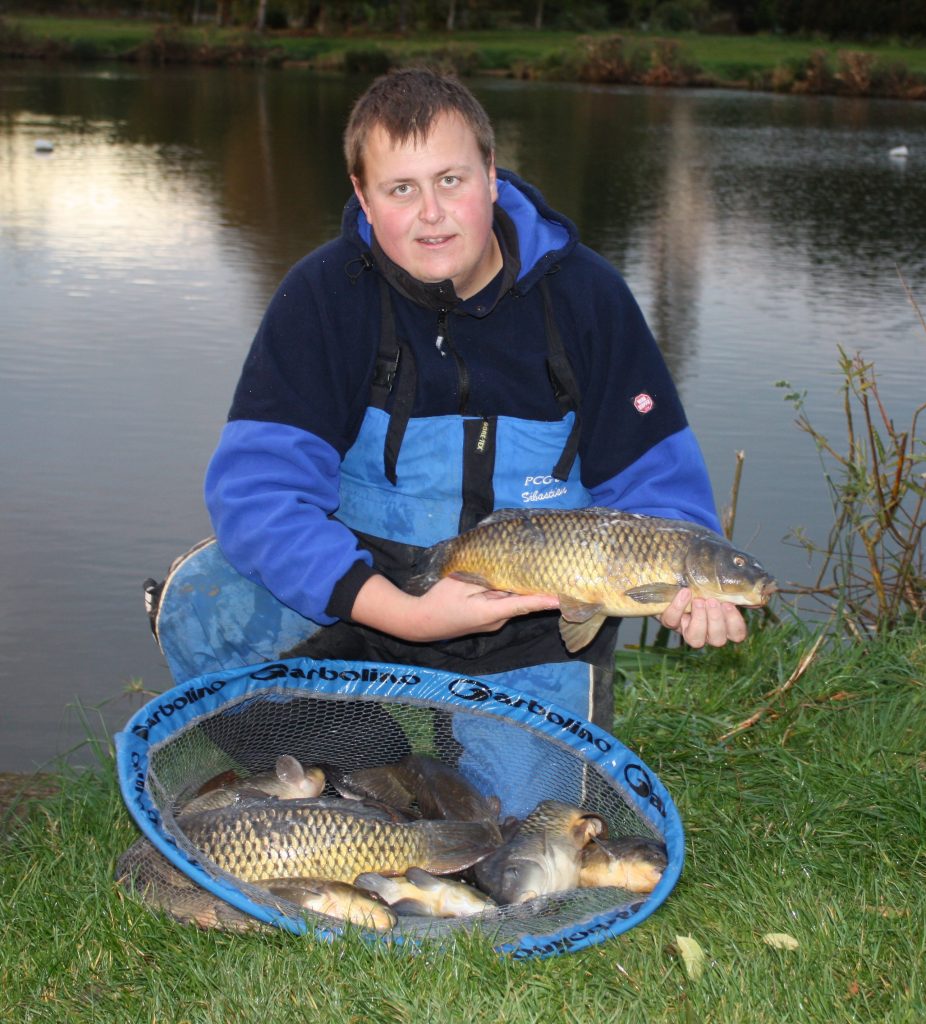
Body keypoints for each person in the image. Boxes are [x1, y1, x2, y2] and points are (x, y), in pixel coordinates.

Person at [149, 69, 746, 809]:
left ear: (492, 178)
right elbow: (256, 495)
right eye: (400, 190)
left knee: (525, 836)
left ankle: (471, 765)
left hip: (529, 628)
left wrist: (688, 572)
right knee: (201, 607)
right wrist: (397, 610)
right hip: (365, 589)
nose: (432, 215)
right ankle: (365, 773)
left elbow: (656, 483)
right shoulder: (324, 296)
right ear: (363, 197)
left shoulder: (588, 298)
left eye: (452, 179)